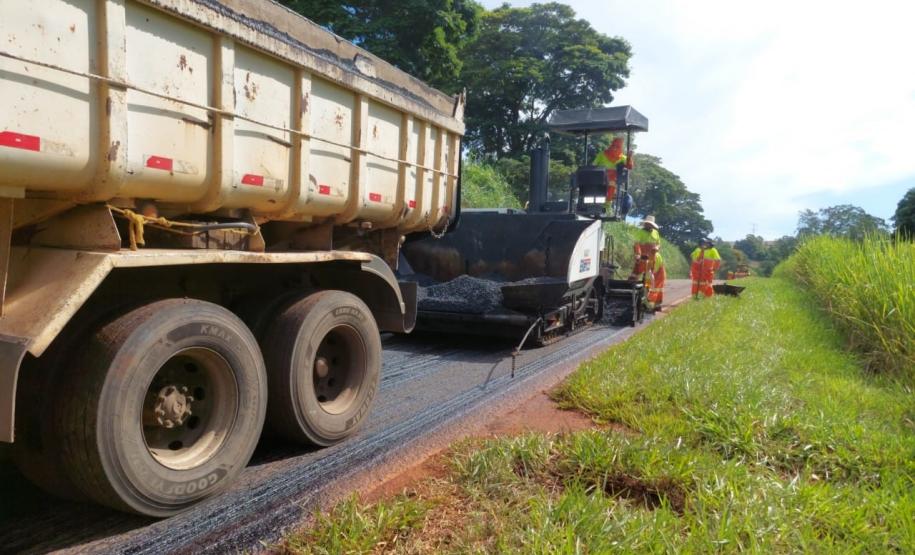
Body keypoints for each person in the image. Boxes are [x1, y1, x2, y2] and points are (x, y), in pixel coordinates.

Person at [630, 215, 665, 309]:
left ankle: (656, 303)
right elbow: (636, 244)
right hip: (643, 258)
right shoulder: (640, 232)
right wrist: (638, 254)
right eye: (647, 224)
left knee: (659, 280)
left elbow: (658, 244)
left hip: (656, 259)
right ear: (645, 224)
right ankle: (631, 298)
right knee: (635, 276)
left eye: (650, 224)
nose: (648, 225)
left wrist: (657, 248)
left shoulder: (656, 233)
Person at [593, 137, 633, 203]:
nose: (614, 148)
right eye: (614, 145)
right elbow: (593, 166)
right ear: (611, 145)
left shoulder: (623, 157)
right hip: (599, 178)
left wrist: (629, 158)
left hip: (613, 180)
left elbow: (629, 166)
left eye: (617, 146)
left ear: (620, 148)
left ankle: (607, 204)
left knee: (612, 183)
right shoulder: (602, 154)